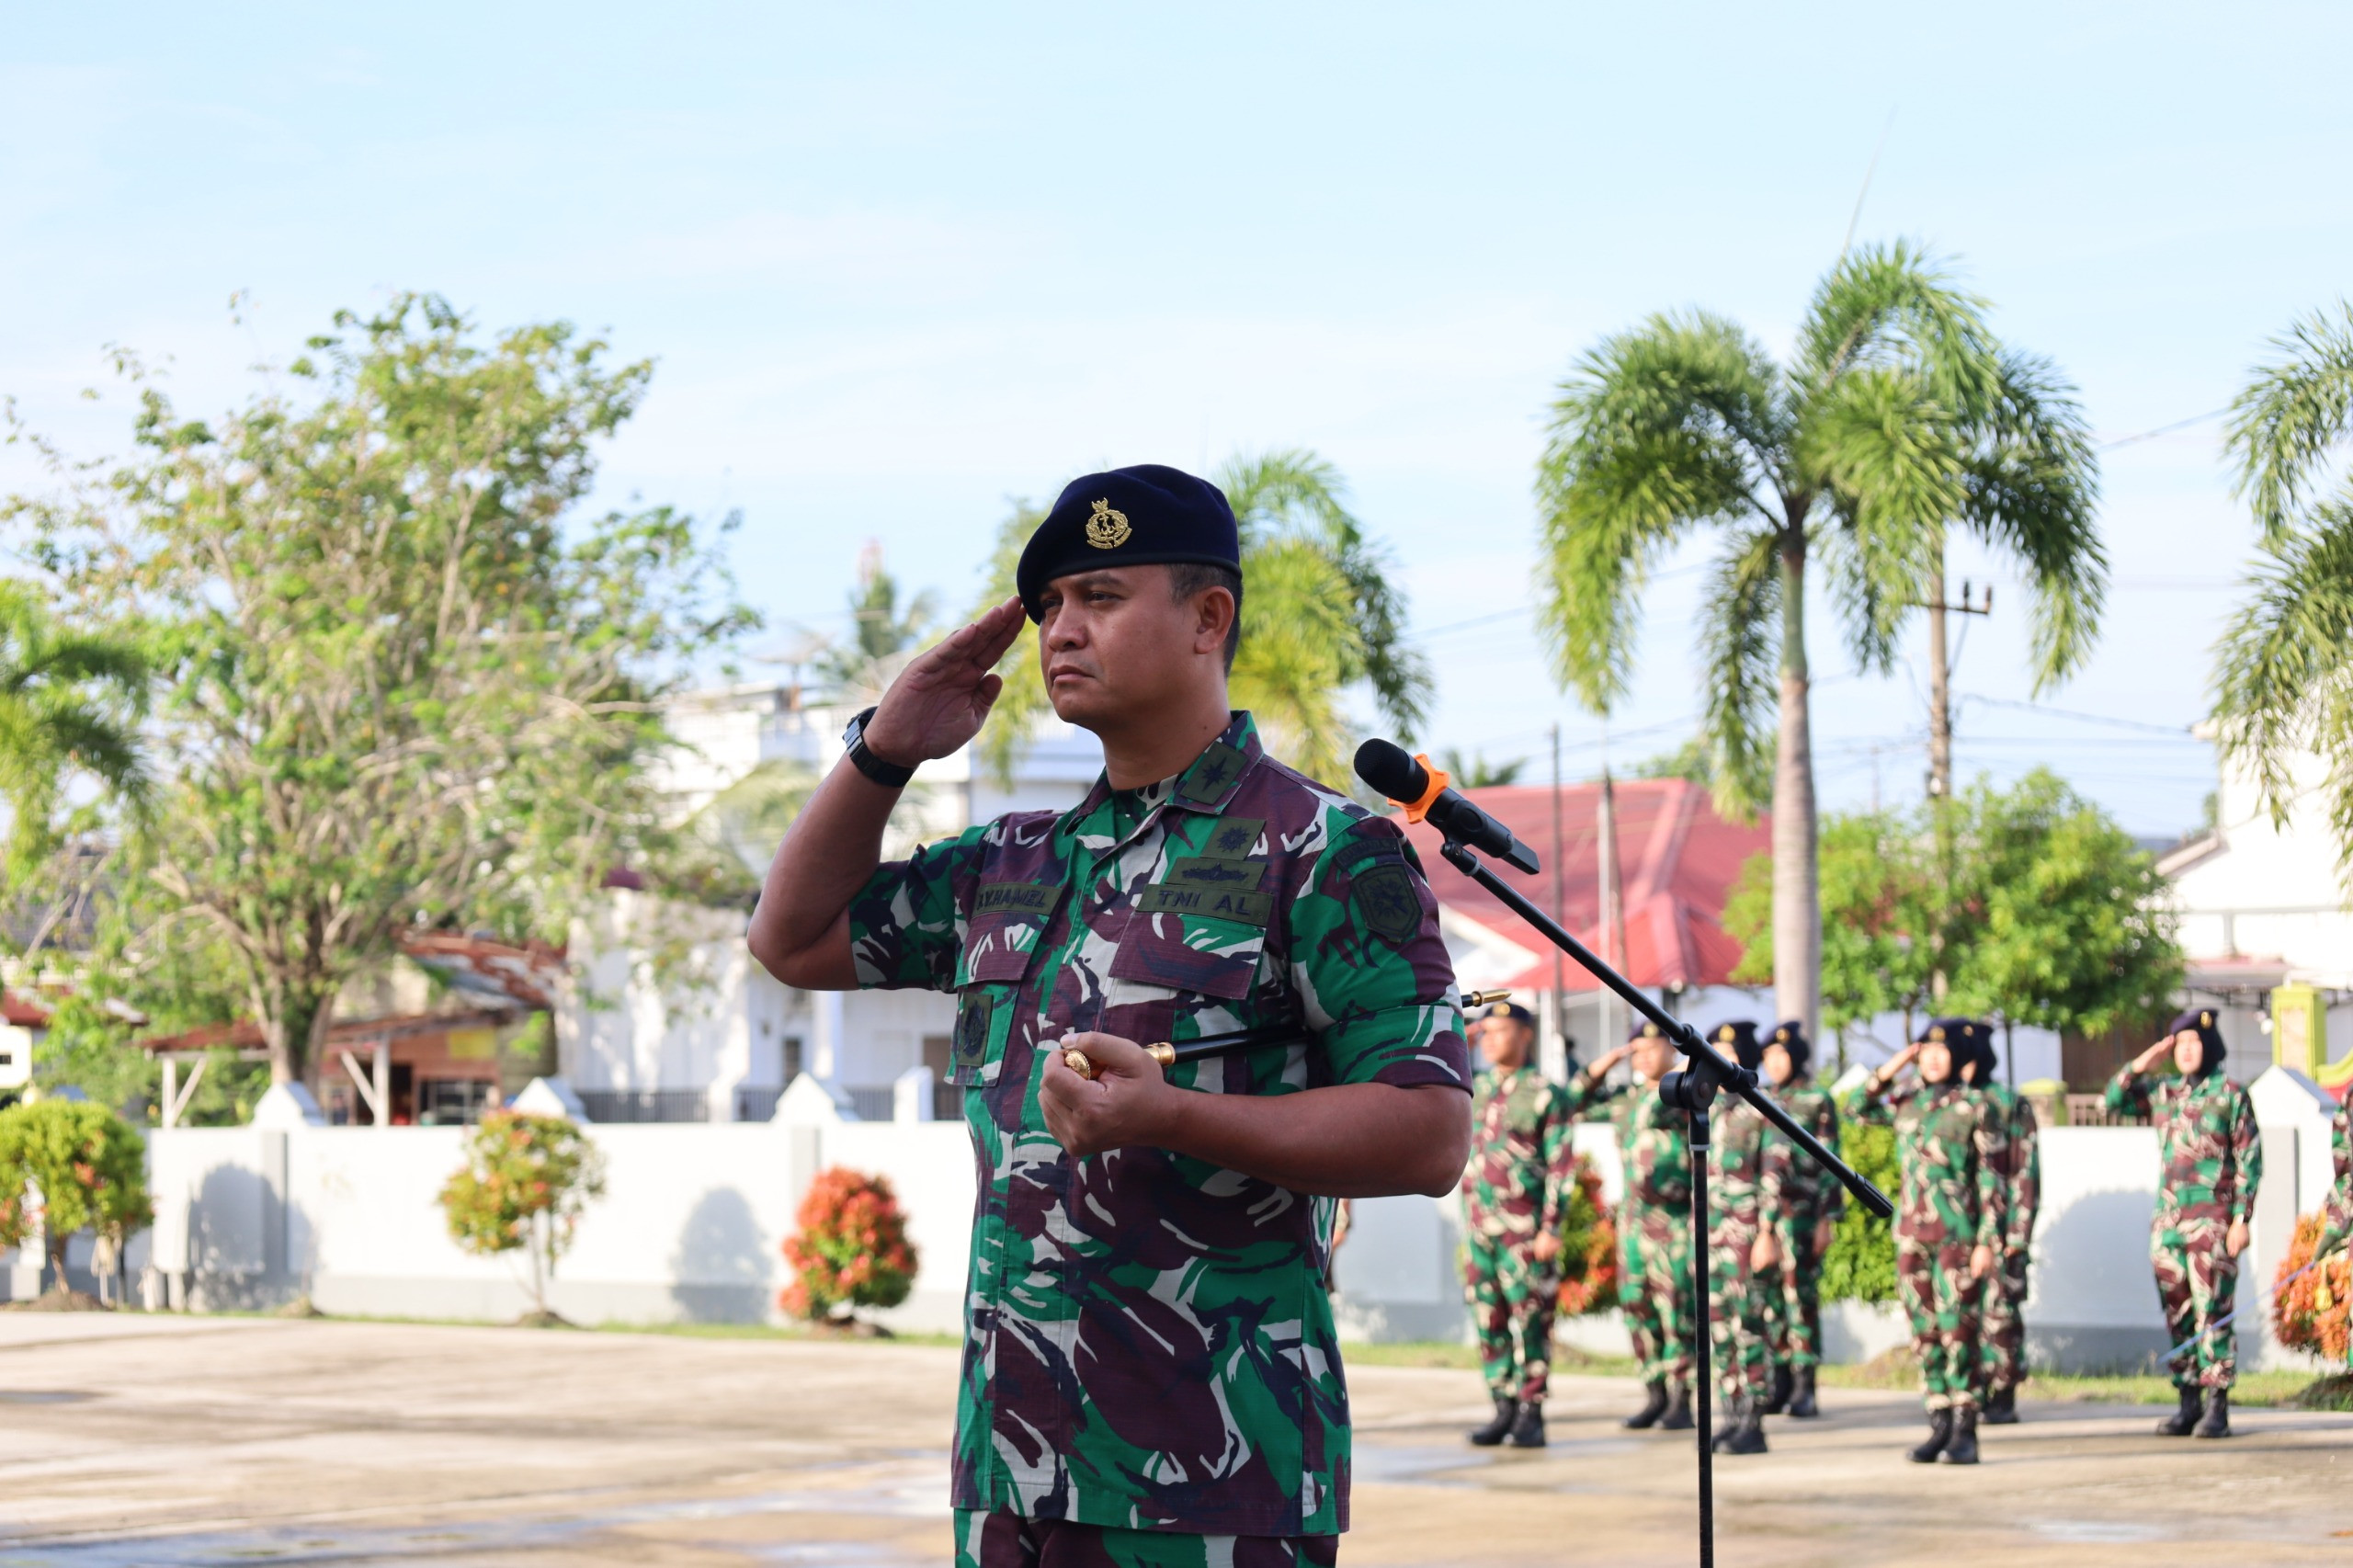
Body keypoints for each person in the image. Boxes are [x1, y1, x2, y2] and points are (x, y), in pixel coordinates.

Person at [747, 465, 1474, 1567]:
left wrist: (1175, 1115)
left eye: (1099, 595)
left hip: (1217, 1478)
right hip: (1011, 1468)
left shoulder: (1323, 849)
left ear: (1207, 618)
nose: (1059, 630)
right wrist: (882, 751)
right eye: (1047, 608)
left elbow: (1428, 1131)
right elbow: (789, 937)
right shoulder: (1012, 860)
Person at [1846, 1019, 2001, 1465]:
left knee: (1959, 1331)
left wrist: (1988, 1241)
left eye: (1942, 1050)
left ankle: (1966, 1427)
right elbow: (1857, 1107)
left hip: (1958, 1238)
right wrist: (1892, 1066)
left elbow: (1992, 1179)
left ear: (1957, 1056)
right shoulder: (1907, 1101)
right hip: (1912, 1237)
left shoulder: (1975, 1105)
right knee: (1924, 1333)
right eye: (1925, 1051)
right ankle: (1938, 1421)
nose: (1932, 1058)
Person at [2105, 1007, 2262, 1439]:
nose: (2186, 1051)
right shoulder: (2164, 1092)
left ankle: (2218, 1405)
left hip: (2212, 1224)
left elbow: (2250, 1158)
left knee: (2213, 1313)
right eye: (2180, 1044)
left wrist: (2242, 1219)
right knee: (2177, 1312)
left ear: (2209, 1046)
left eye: (2193, 1042)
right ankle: (2187, 1402)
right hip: (2169, 1225)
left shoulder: (2231, 1093)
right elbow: (2113, 1100)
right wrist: (2144, 1062)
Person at [1460, 1000, 1580, 1448]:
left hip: (1525, 1231)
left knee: (1530, 1320)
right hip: (1480, 1230)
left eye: (1499, 1030)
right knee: (1489, 1319)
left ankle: (1531, 1410)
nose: (1489, 1039)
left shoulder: (1547, 1092)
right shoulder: (1475, 1087)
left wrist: (1552, 1227)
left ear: (1525, 1034)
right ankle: (1502, 1406)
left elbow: (1561, 1165)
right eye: (1484, 1032)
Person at [1564, 1022, 1695, 1432]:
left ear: (1671, 1051)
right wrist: (1610, 1060)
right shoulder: (1626, 1100)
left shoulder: (1685, 1094)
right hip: (1634, 1223)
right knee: (1637, 1307)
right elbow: (1572, 1101)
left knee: (1678, 1310)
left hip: (1674, 1221)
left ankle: (1682, 1398)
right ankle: (1654, 1393)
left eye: (1650, 1048)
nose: (1642, 1056)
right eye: (1636, 1049)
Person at [1756, 1019, 1842, 1420]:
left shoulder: (1816, 1099)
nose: (1774, 1063)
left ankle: (1806, 1386)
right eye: (1768, 1056)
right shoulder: (1757, 1098)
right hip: (1765, 1220)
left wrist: (1828, 1218)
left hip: (1804, 1215)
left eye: (1781, 1055)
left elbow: (1831, 1163)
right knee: (1771, 1301)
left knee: (1799, 1299)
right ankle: (1780, 1381)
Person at [1958, 1025, 2040, 1425]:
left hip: (2002, 1228)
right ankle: (1970, 1390)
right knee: (1962, 1316)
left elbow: (2025, 1170)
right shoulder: (1948, 1104)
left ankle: (2003, 1390)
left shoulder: (2008, 1103)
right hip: (1957, 1231)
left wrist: (2017, 1235)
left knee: (2000, 1314)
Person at [1703, 1020, 1773, 1457]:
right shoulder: (1708, 1108)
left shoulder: (1762, 1109)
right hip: (1712, 1234)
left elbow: (1774, 1176)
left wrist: (1768, 1234)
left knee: (1749, 1325)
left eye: (1724, 1050)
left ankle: (1754, 1420)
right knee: (1719, 1328)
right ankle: (1731, 1413)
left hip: (1748, 1235)